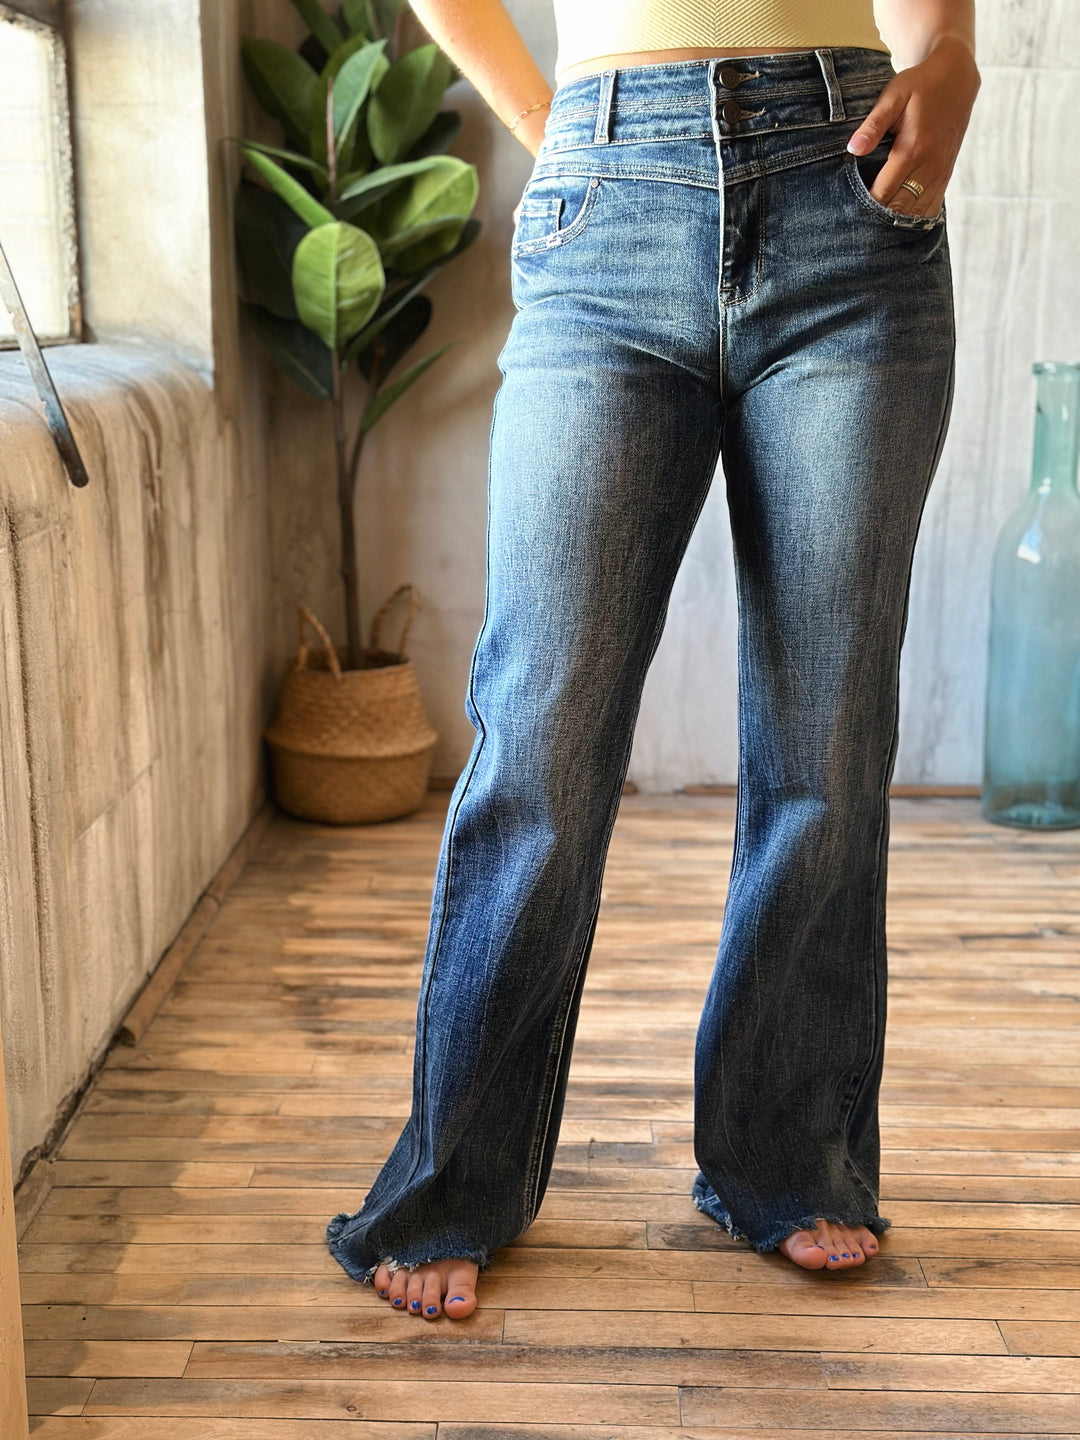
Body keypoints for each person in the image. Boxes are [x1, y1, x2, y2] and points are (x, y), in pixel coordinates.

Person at [326, 0, 981, 1320]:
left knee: (829, 739)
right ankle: (454, 1178)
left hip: (849, 182)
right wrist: (553, 124)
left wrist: (951, 53)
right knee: (541, 739)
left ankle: (791, 1160)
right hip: (605, 192)